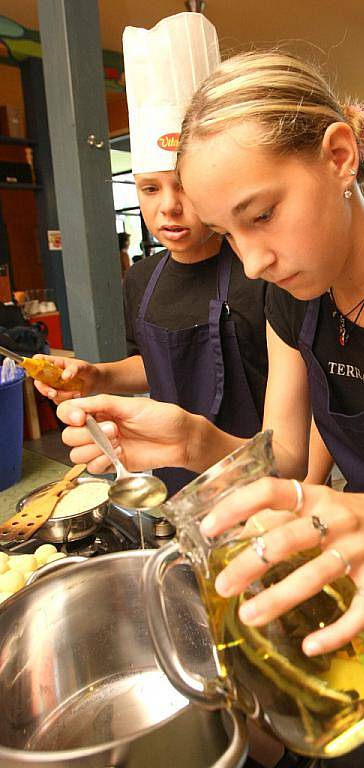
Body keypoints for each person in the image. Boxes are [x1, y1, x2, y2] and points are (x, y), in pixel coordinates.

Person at [58, 51, 364, 656]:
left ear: (340, 157)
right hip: (352, 584)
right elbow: (289, 459)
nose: (252, 262)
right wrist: (194, 440)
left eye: (263, 215)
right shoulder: (291, 297)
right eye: (229, 233)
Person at [34, 14, 269, 496]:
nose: (168, 208)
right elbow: (156, 364)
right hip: (175, 478)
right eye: (149, 188)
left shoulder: (262, 271)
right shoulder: (143, 280)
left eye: (183, 185)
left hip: (265, 473)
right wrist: (96, 376)